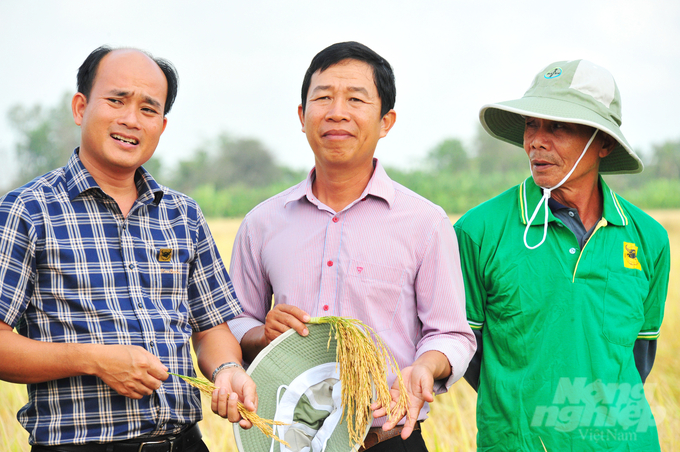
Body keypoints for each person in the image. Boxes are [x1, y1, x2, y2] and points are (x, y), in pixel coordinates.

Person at [0, 46, 257, 452]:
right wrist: (93, 359)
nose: (130, 120)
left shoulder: (182, 214)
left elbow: (212, 330)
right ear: (80, 107)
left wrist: (227, 369)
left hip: (185, 443)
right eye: (117, 100)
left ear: (162, 125)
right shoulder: (28, 211)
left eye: (148, 109)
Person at [227, 41, 475, 452]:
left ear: (385, 121)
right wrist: (260, 334)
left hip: (388, 439)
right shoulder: (262, 223)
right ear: (302, 116)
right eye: (322, 98)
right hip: (289, 440)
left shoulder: (424, 223)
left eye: (355, 99)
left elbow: (452, 333)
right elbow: (233, 322)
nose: (336, 111)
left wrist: (426, 368)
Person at [454, 59, 671, 451]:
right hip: (518, 442)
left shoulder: (649, 239)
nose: (537, 140)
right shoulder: (478, 231)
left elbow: (639, 356)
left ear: (603, 142)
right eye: (531, 125)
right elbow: (468, 352)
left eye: (557, 126)